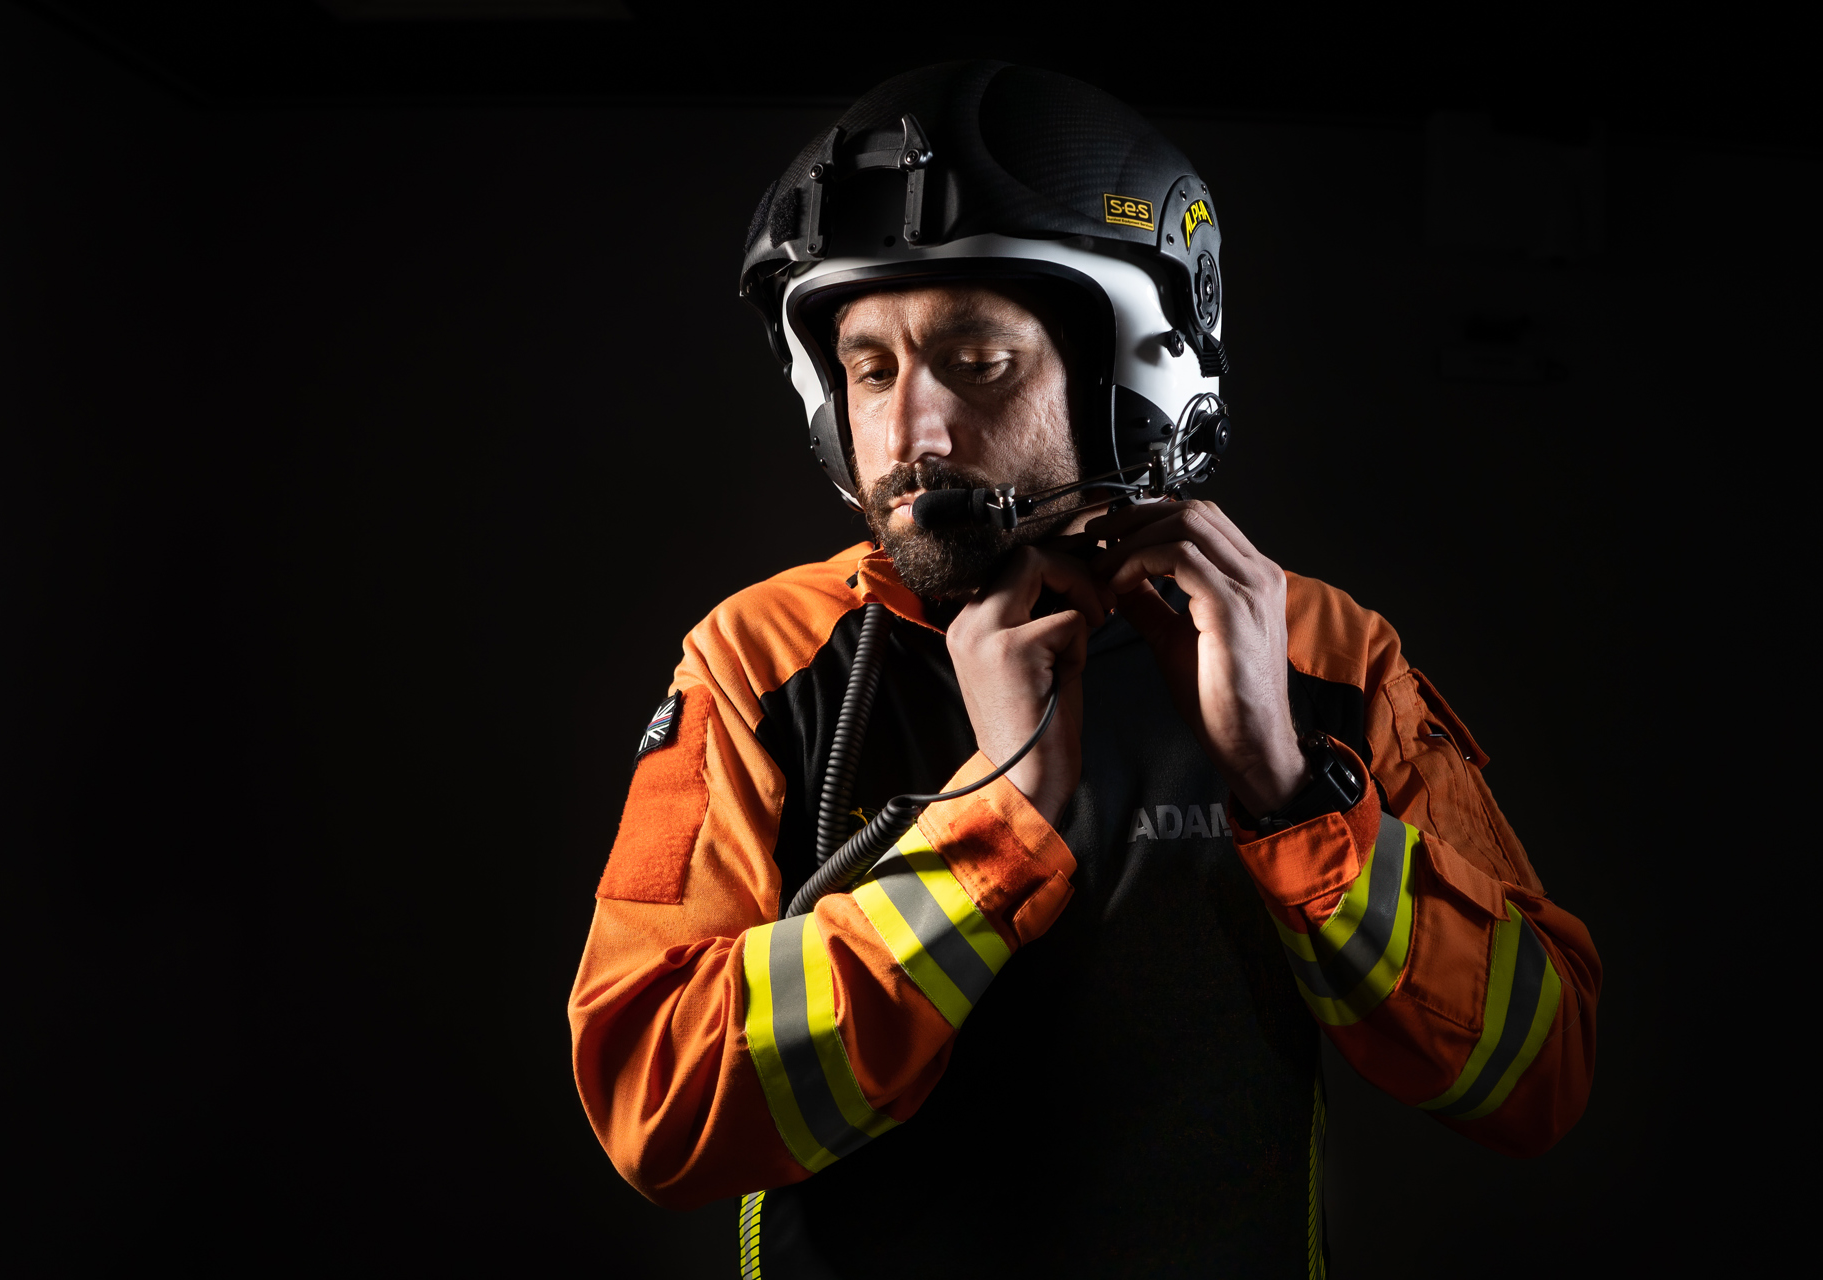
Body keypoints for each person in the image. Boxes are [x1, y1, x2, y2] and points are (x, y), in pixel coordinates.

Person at [569, 62, 1599, 1278]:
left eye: (978, 360)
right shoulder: (759, 659)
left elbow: (1542, 1073)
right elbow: (659, 1111)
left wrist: (1291, 791)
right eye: (871, 366)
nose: (913, 436)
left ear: (1132, 373)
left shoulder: (1320, 653)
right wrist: (988, 833)